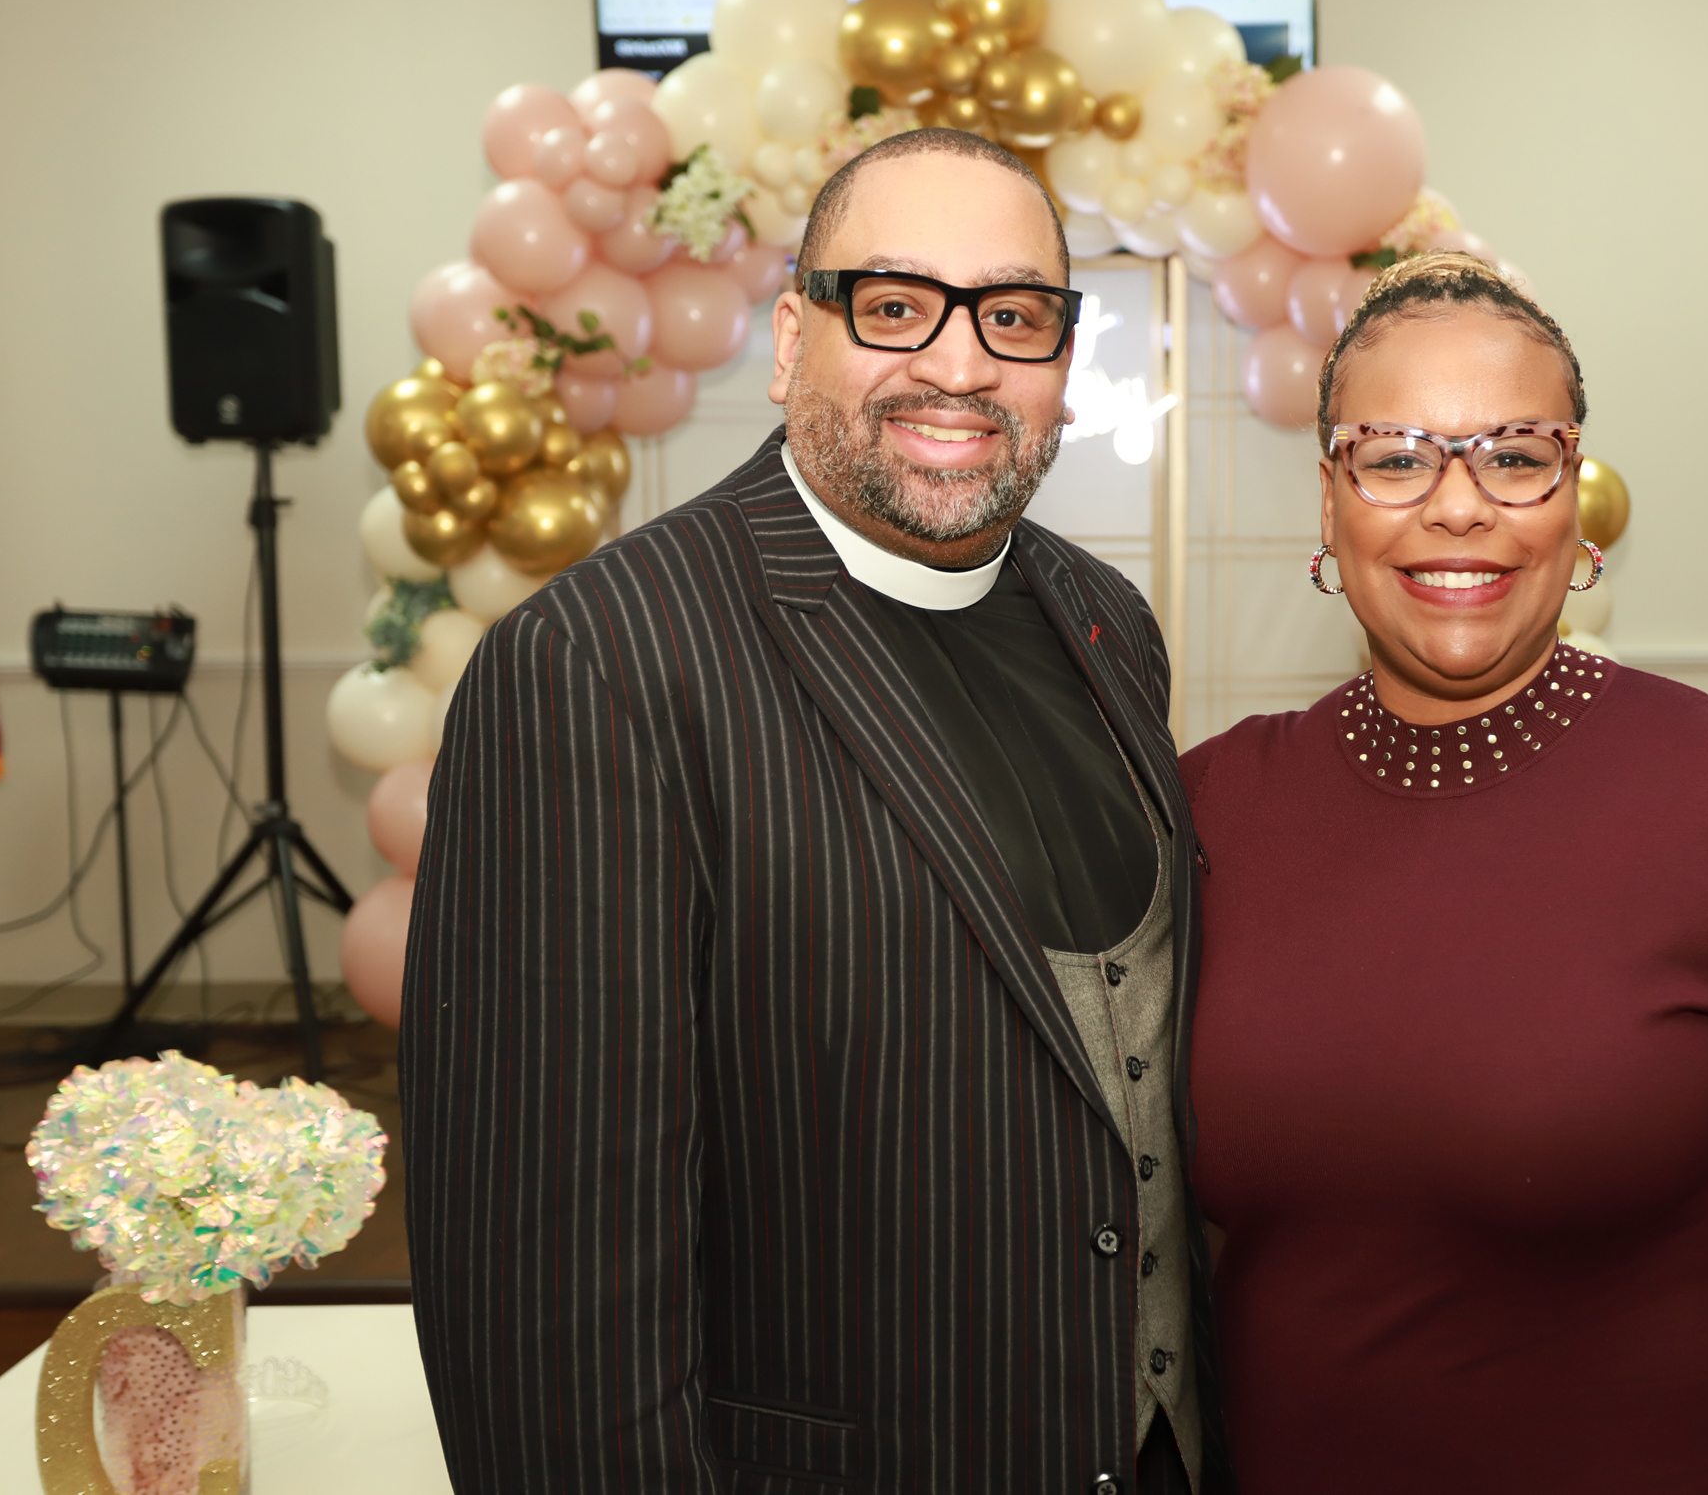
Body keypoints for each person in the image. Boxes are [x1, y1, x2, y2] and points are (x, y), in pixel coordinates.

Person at [403, 129, 1229, 1495]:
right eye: (894, 306)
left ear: (1064, 366)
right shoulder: (599, 666)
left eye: (1012, 315)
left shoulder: (1106, 622)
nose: (959, 365)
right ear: (790, 339)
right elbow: (542, 1304)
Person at [1179, 252, 1708, 1493]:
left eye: (1513, 454)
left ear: (1571, 492)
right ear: (1330, 500)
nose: (1458, 506)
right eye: (1395, 455)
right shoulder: (1212, 802)